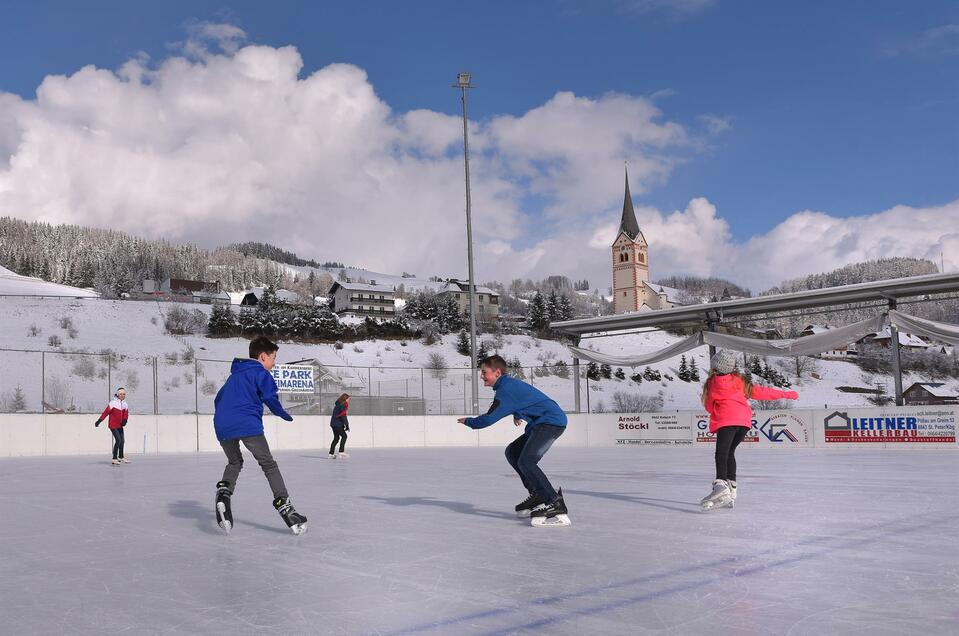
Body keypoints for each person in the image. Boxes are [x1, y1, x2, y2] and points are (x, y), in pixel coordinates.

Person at [457, 355, 570, 528]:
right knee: (513, 452)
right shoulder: (509, 385)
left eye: (484, 372)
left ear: (497, 372)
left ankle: (554, 502)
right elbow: (525, 399)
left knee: (527, 461)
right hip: (543, 423)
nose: (481, 376)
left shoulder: (506, 390)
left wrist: (469, 421)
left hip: (550, 422)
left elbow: (488, 419)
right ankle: (537, 494)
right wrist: (517, 414)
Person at [212, 335, 308, 535]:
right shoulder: (260, 373)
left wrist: (225, 418)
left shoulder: (234, 376)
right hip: (247, 423)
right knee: (268, 464)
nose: (273, 364)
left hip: (222, 425)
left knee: (234, 462)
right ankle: (286, 508)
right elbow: (270, 397)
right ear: (263, 357)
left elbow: (218, 398)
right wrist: (283, 414)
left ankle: (223, 495)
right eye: (273, 359)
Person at [700, 349, 799, 511]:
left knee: (721, 453)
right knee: (730, 453)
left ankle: (720, 485)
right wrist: (787, 394)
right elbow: (763, 392)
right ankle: (731, 491)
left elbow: (709, 405)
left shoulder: (712, 383)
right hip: (744, 423)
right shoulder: (740, 381)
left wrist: (716, 411)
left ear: (715, 368)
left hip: (726, 421)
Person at [95, 388, 129, 465]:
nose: (122, 395)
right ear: (117, 394)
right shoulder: (113, 403)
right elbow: (106, 412)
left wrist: (125, 420)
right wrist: (99, 421)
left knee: (122, 441)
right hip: (113, 425)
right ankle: (114, 458)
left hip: (120, 425)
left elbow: (126, 414)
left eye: (124, 394)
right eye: (121, 394)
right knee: (118, 440)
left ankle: (120, 457)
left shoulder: (125, 404)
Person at [329, 393, 351, 458]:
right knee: (344, 436)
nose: (349, 401)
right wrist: (347, 425)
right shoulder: (343, 405)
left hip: (333, 423)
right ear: (345, 399)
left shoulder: (338, 404)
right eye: (348, 399)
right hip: (337, 424)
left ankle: (331, 454)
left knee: (336, 438)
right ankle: (341, 452)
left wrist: (344, 424)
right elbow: (343, 415)